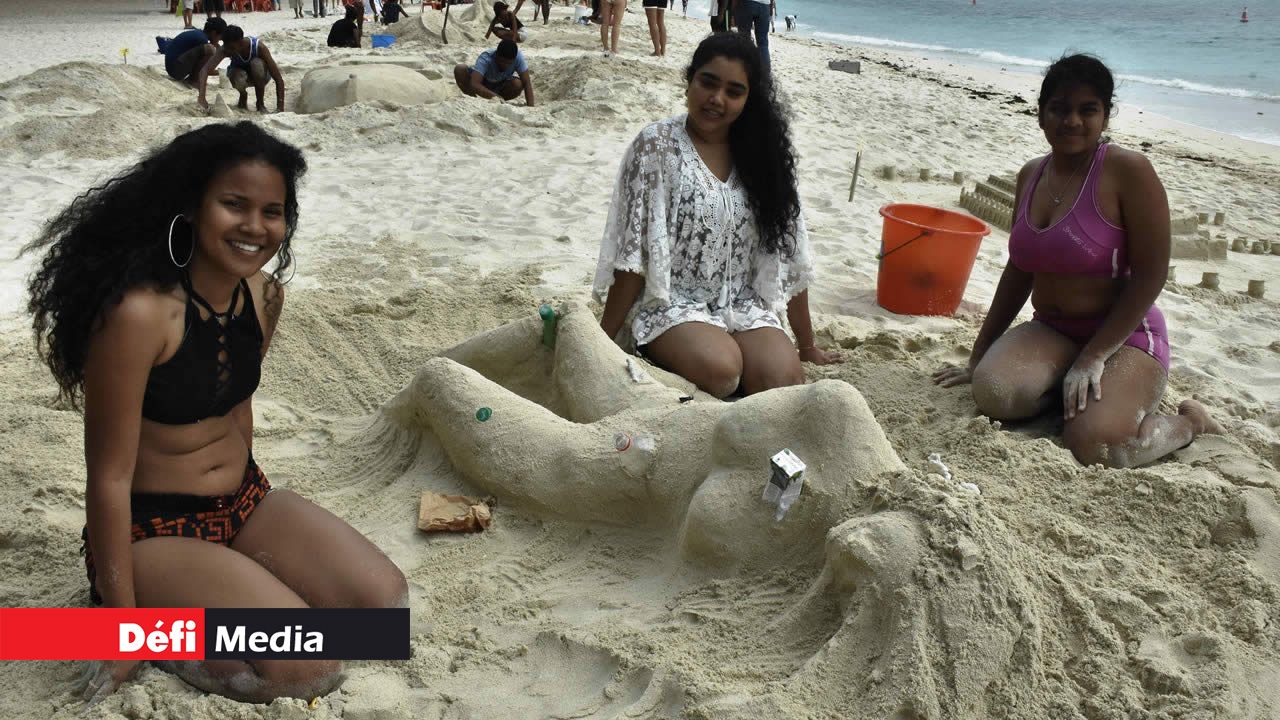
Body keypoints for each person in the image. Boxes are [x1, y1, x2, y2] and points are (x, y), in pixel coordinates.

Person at [23, 121, 408, 705]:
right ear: (193, 207)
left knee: (385, 612)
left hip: (244, 504)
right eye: (234, 204)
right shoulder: (139, 315)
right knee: (306, 667)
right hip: (151, 531)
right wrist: (120, 629)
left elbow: (237, 412)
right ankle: (138, 628)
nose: (255, 227)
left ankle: (224, 589)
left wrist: (256, 541)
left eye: (272, 211)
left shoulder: (261, 294)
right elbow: (108, 478)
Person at [932, 54, 1223, 468]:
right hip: (1053, 330)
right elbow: (1019, 270)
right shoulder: (1031, 173)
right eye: (1059, 109)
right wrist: (979, 354)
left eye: (1088, 110)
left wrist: (1094, 356)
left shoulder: (1128, 171)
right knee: (994, 391)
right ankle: (1073, 396)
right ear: (1041, 115)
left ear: (1105, 117)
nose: (1072, 121)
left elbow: (1152, 273)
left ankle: (1190, 424)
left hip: (1125, 337)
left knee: (1098, 447)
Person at [594, 33, 840, 399]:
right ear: (690, 80)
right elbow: (634, 255)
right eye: (708, 83)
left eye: (734, 91)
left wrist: (806, 345)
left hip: (743, 304)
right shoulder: (657, 145)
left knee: (782, 379)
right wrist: (602, 340)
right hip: (671, 304)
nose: (717, 99)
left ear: (748, 99)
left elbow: (790, 254)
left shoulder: (764, 156)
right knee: (723, 370)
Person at [195, 25, 286, 113]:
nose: (229, 51)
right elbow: (204, 70)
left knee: (257, 64)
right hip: (240, 76)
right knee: (237, 75)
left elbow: (278, 78)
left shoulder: (259, 47)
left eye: (232, 48)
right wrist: (202, 98)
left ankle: (260, 103)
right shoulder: (226, 49)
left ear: (240, 42)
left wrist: (280, 107)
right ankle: (243, 95)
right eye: (227, 47)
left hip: (261, 76)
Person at [453, 38, 536, 106]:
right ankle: (473, 101)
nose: (505, 65)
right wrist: (495, 97)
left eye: (508, 63)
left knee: (518, 84)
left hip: (500, 85)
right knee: (460, 69)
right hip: (484, 82)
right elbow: (475, 83)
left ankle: (500, 102)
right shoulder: (486, 58)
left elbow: (527, 82)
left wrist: (531, 107)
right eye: (502, 62)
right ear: (496, 55)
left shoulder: (518, 58)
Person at [163, 17, 227, 85]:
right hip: (175, 69)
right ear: (214, 33)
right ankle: (193, 81)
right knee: (210, 50)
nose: (219, 40)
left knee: (209, 49)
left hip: (172, 67)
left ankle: (193, 79)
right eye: (220, 37)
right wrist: (222, 72)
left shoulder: (199, 34)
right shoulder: (202, 40)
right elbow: (206, 69)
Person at [732, 0, 774, 67]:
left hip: (747, 3)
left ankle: (746, 68)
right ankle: (766, 72)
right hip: (765, 5)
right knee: (763, 44)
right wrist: (771, 10)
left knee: (744, 39)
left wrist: (732, 12)